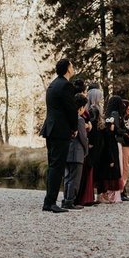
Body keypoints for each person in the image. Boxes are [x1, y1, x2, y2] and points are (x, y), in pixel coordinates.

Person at [42, 57, 78, 213]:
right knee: (57, 167)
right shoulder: (66, 85)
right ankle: (50, 203)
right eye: (72, 65)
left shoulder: (53, 85)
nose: (73, 68)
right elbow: (71, 109)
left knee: (52, 166)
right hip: (60, 130)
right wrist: (74, 127)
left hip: (50, 129)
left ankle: (48, 201)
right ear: (68, 69)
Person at [76, 84, 104, 206]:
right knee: (87, 171)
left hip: (93, 145)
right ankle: (85, 198)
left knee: (89, 172)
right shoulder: (92, 112)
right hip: (90, 145)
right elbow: (89, 130)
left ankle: (86, 197)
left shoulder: (89, 111)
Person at [96, 95, 127, 204]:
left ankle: (104, 194)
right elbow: (114, 132)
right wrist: (124, 132)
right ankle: (106, 194)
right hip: (111, 146)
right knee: (111, 169)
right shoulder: (113, 116)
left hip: (104, 147)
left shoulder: (105, 116)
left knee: (107, 170)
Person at [63, 95, 89, 210]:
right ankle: (70, 201)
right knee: (75, 179)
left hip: (67, 152)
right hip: (77, 153)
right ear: (81, 107)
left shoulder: (66, 117)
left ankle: (66, 200)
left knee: (67, 177)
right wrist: (86, 149)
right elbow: (83, 138)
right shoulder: (79, 120)